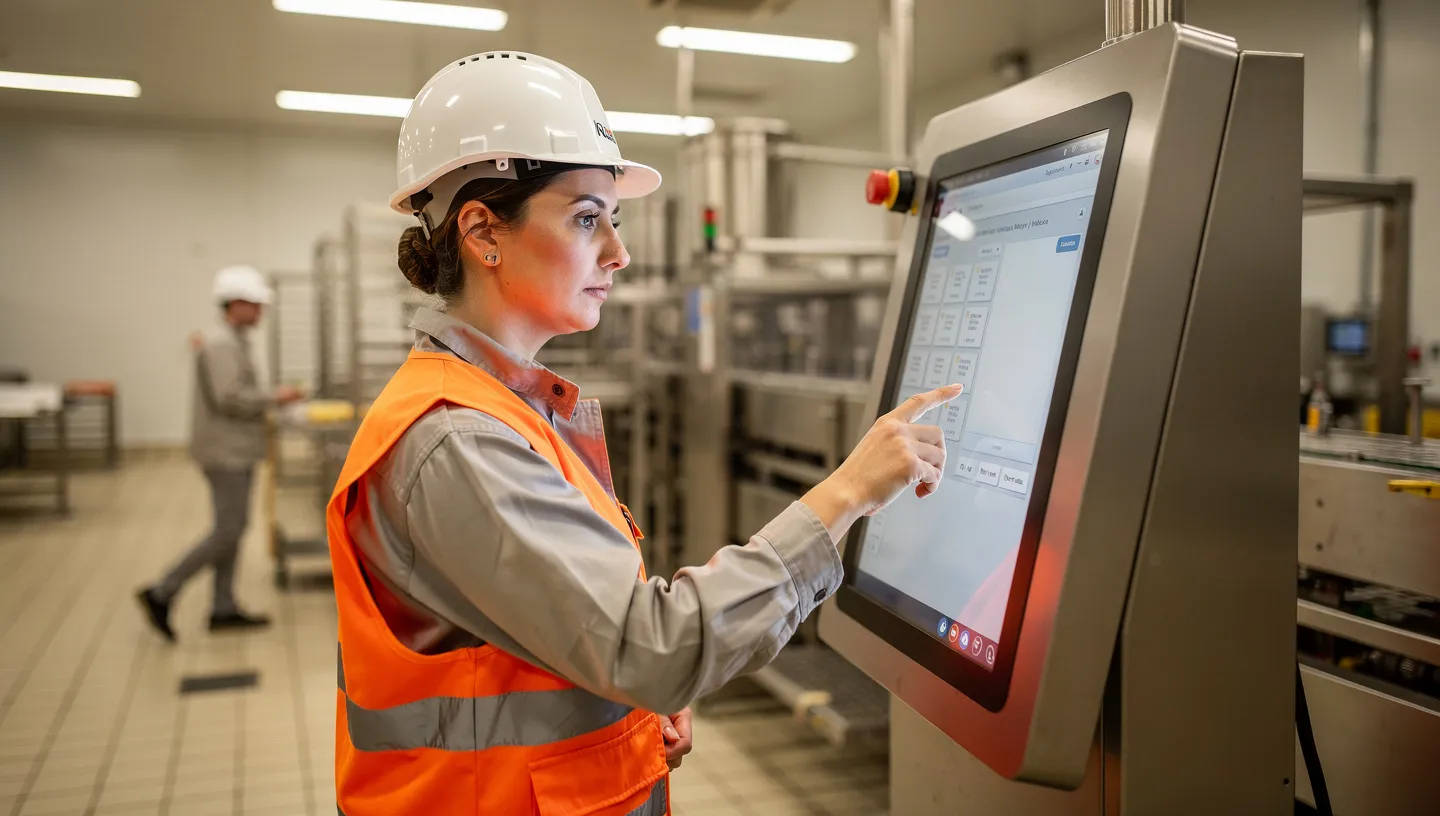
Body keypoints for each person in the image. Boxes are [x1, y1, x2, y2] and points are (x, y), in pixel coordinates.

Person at [326, 52, 960, 816]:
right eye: (587, 218)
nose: (619, 254)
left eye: (613, 221)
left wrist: (621, 706)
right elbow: (654, 646)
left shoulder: (508, 407)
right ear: (482, 231)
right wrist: (849, 493)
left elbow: (560, 638)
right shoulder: (457, 437)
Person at [137, 266, 303, 641]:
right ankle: (162, 591)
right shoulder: (222, 344)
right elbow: (230, 398)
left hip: (234, 449)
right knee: (228, 531)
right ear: (236, 304)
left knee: (233, 529)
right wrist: (276, 396)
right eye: (256, 305)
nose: (261, 312)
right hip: (225, 452)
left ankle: (222, 607)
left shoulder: (234, 340)